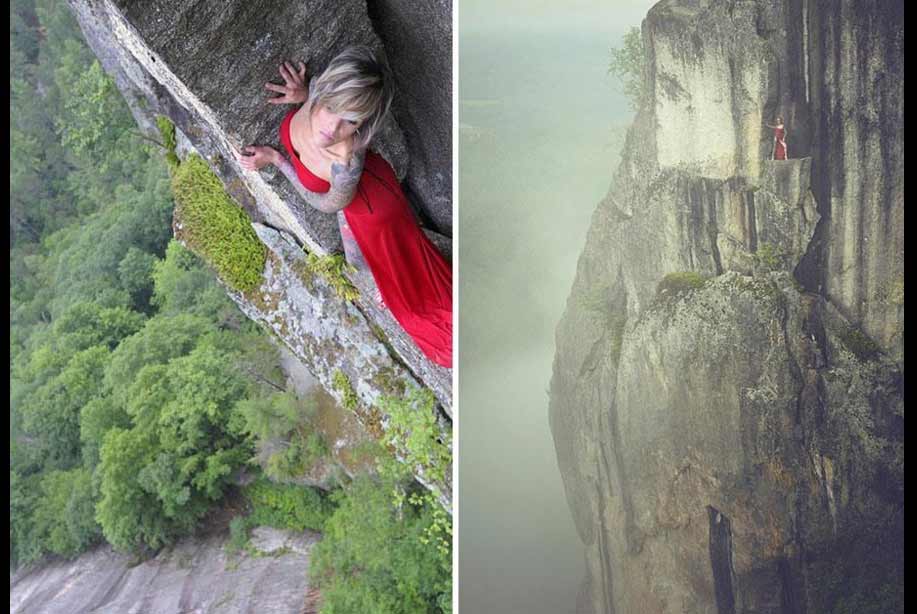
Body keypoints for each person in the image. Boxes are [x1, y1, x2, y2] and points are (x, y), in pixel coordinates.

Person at [237, 46, 452, 369]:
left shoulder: (346, 161)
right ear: (322, 91)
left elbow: (325, 203)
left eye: (350, 121)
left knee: (407, 297)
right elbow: (328, 105)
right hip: (362, 203)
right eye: (331, 106)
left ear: (361, 125)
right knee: (389, 271)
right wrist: (303, 94)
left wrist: (278, 160)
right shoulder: (317, 102)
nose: (332, 127)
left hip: (372, 210)